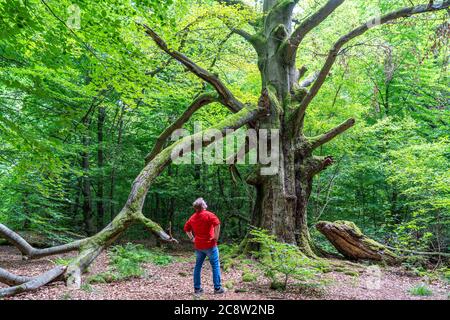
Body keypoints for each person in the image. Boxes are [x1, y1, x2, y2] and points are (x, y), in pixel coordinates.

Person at [184, 197, 225, 294]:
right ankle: (217, 288)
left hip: (199, 246)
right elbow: (217, 224)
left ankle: (197, 289)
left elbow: (186, 229)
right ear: (203, 205)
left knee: (198, 266)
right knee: (215, 265)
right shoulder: (209, 215)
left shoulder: (192, 217)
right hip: (210, 245)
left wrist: (192, 238)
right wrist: (216, 237)